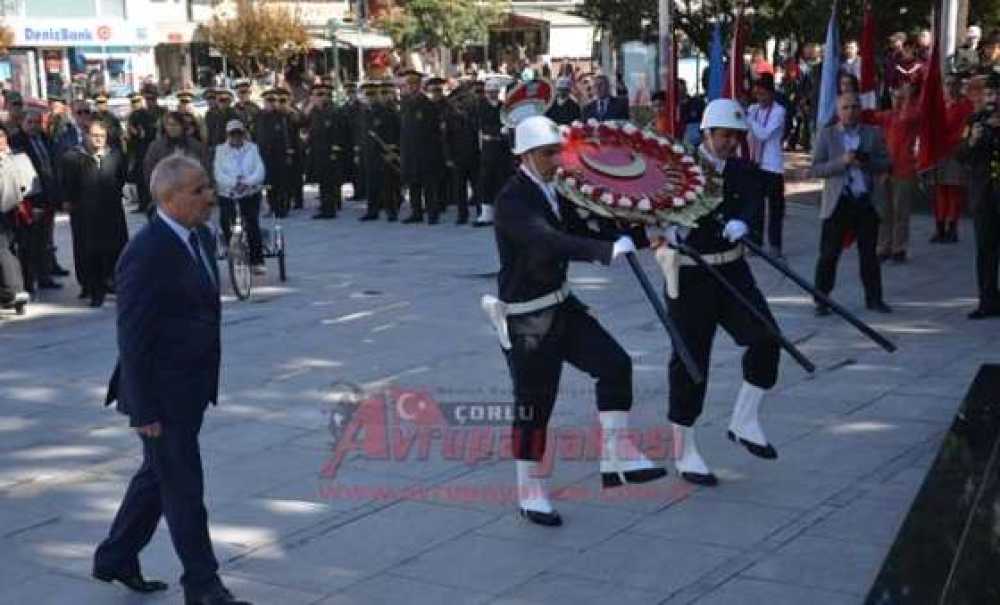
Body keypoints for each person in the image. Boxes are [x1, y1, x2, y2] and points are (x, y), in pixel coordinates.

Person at [488, 115, 664, 526]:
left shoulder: (554, 190)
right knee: (535, 405)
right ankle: (529, 489)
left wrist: (641, 235)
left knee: (615, 365)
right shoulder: (512, 200)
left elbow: (587, 224)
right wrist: (604, 252)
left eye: (558, 151)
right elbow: (548, 242)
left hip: (561, 305)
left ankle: (617, 452)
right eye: (550, 153)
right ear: (527, 155)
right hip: (527, 319)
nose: (557, 159)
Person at [95, 153, 253, 605]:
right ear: (168, 198)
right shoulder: (145, 252)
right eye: (199, 190)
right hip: (159, 397)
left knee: (157, 476)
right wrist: (143, 410)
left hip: (189, 389)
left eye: (208, 186)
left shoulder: (199, 236)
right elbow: (132, 337)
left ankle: (115, 555)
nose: (210, 196)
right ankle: (203, 587)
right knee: (184, 488)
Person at [652, 99, 780, 486]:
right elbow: (652, 209)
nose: (729, 142)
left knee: (766, 338)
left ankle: (744, 419)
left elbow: (756, 205)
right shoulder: (679, 169)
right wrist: (666, 229)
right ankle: (684, 447)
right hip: (691, 275)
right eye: (723, 135)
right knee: (692, 362)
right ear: (706, 133)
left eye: (735, 136)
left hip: (733, 268)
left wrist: (744, 222)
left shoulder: (744, 170)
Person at [809, 92, 892, 315]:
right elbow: (815, 169)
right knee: (828, 254)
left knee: (869, 255)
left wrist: (867, 162)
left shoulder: (872, 134)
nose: (851, 112)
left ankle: (874, 299)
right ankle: (821, 300)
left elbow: (886, 163)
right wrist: (841, 162)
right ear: (838, 111)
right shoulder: (827, 135)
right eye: (845, 108)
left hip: (865, 202)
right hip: (839, 202)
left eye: (855, 107)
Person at [60, 121, 128, 307]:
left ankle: (113, 282)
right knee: (90, 251)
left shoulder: (115, 155)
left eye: (102, 136)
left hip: (111, 211)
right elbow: (68, 185)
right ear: (86, 135)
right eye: (94, 135)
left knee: (115, 248)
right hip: (85, 214)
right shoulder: (73, 157)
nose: (98, 139)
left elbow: (121, 178)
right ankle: (93, 288)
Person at [957, 74, 1000, 319]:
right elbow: (960, 155)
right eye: (990, 95)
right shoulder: (975, 121)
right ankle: (987, 300)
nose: (994, 100)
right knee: (985, 248)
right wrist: (972, 140)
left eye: (997, 94)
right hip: (984, 195)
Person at [11, 110, 62, 292]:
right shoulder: (17, 141)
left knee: (44, 238)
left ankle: (44, 274)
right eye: (30, 122)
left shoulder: (45, 138)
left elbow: (52, 163)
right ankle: (29, 279)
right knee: (29, 242)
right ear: (23, 123)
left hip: (48, 195)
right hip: (31, 199)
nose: (34, 126)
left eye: (37, 122)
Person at [871, 85, 920, 262]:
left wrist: (908, 96)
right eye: (895, 97)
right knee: (884, 211)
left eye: (901, 97)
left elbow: (906, 118)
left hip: (904, 169)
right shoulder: (887, 116)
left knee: (901, 211)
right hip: (886, 170)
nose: (897, 101)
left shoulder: (913, 114)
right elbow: (869, 117)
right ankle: (883, 246)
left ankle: (899, 248)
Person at [214, 120, 266, 274]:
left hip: (249, 193)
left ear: (243, 134)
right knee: (225, 221)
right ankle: (234, 253)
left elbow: (260, 170)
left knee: (251, 224)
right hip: (228, 193)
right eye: (232, 134)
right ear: (227, 135)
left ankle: (257, 261)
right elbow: (218, 173)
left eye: (239, 133)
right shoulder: (220, 150)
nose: (236, 137)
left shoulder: (253, 148)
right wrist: (233, 183)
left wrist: (247, 183)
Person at [931, 74, 976, 244]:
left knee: (954, 192)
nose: (950, 88)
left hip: (955, 153)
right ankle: (940, 227)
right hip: (940, 153)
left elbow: (965, 129)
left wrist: (955, 142)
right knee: (940, 191)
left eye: (953, 84)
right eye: (947, 84)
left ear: (959, 86)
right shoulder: (941, 105)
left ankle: (952, 228)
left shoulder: (966, 106)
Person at [747, 74, 787, 256]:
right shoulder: (753, 109)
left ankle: (775, 245)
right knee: (755, 206)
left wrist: (749, 120)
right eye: (757, 94)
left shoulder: (779, 111)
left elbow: (763, 134)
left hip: (773, 165)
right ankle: (755, 243)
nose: (760, 98)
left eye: (763, 94)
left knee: (775, 208)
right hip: (756, 163)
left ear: (771, 93)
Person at [306, 83, 350, 220]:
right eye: (318, 95)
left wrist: (335, 151)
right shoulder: (314, 112)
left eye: (324, 94)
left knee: (328, 182)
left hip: (330, 153)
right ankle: (325, 206)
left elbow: (339, 133)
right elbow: (302, 123)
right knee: (323, 182)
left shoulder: (333, 112)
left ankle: (329, 209)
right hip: (318, 151)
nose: (321, 97)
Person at [473, 78, 513, 227]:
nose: (492, 94)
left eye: (494, 92)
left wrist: (507, 130)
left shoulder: (503, 107)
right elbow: (481, 125)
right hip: (489, 146)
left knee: (502, 179)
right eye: (489, 92)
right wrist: (497, 130)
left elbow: (509, 121)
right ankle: (486, 214)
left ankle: (503, 212)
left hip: (503, 148)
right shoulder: (480, 106)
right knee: (486, 179)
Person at [143, 112, 209, 201]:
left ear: (182, 126)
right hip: (166, 194)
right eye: (169, 125)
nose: (171, 128)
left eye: (175, 125)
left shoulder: (195, 145)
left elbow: (205, 168)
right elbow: (149, 170)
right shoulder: (156, 147)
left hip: (191, 195)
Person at [0, 125, 31, 314]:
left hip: (10, 211)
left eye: (2, 136)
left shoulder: (13, 158)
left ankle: (15, 290)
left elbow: (25, 184)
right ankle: (11, 292)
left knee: (7, 250)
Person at [442, 81, 480, 224]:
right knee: (462, 187)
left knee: (473, 185)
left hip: (470, 152)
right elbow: (446, 136)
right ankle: (464, 214)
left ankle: (477, 212)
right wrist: (448, 156)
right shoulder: (450, 112)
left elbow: (477, 129)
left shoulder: (473, 110)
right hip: (461, 153)